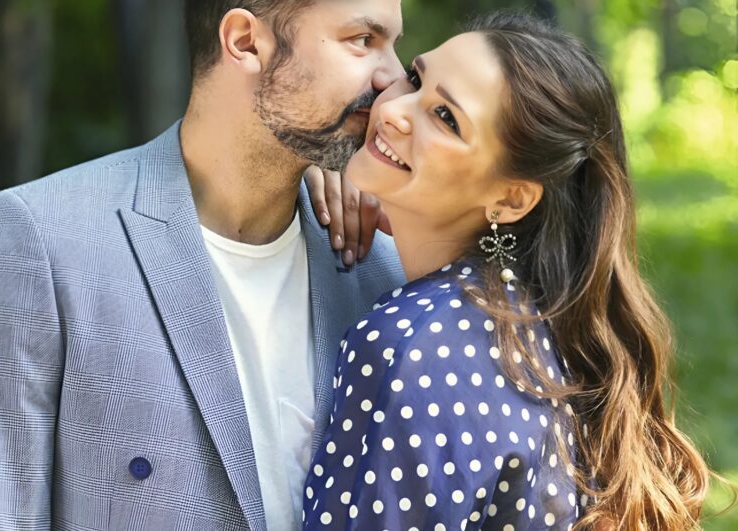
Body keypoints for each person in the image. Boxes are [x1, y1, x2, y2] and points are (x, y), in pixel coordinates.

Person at [0, 1, 406, 529]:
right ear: (245, 42)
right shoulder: (38, 240)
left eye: (392, 45)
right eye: (363, 41)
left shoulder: (386, 272)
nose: (393, 79)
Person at [303, 12, 710, 530]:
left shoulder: (412, 343)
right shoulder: (532, 325)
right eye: (415, 78)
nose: (395, 111)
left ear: (511, 198)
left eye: (446, 118)